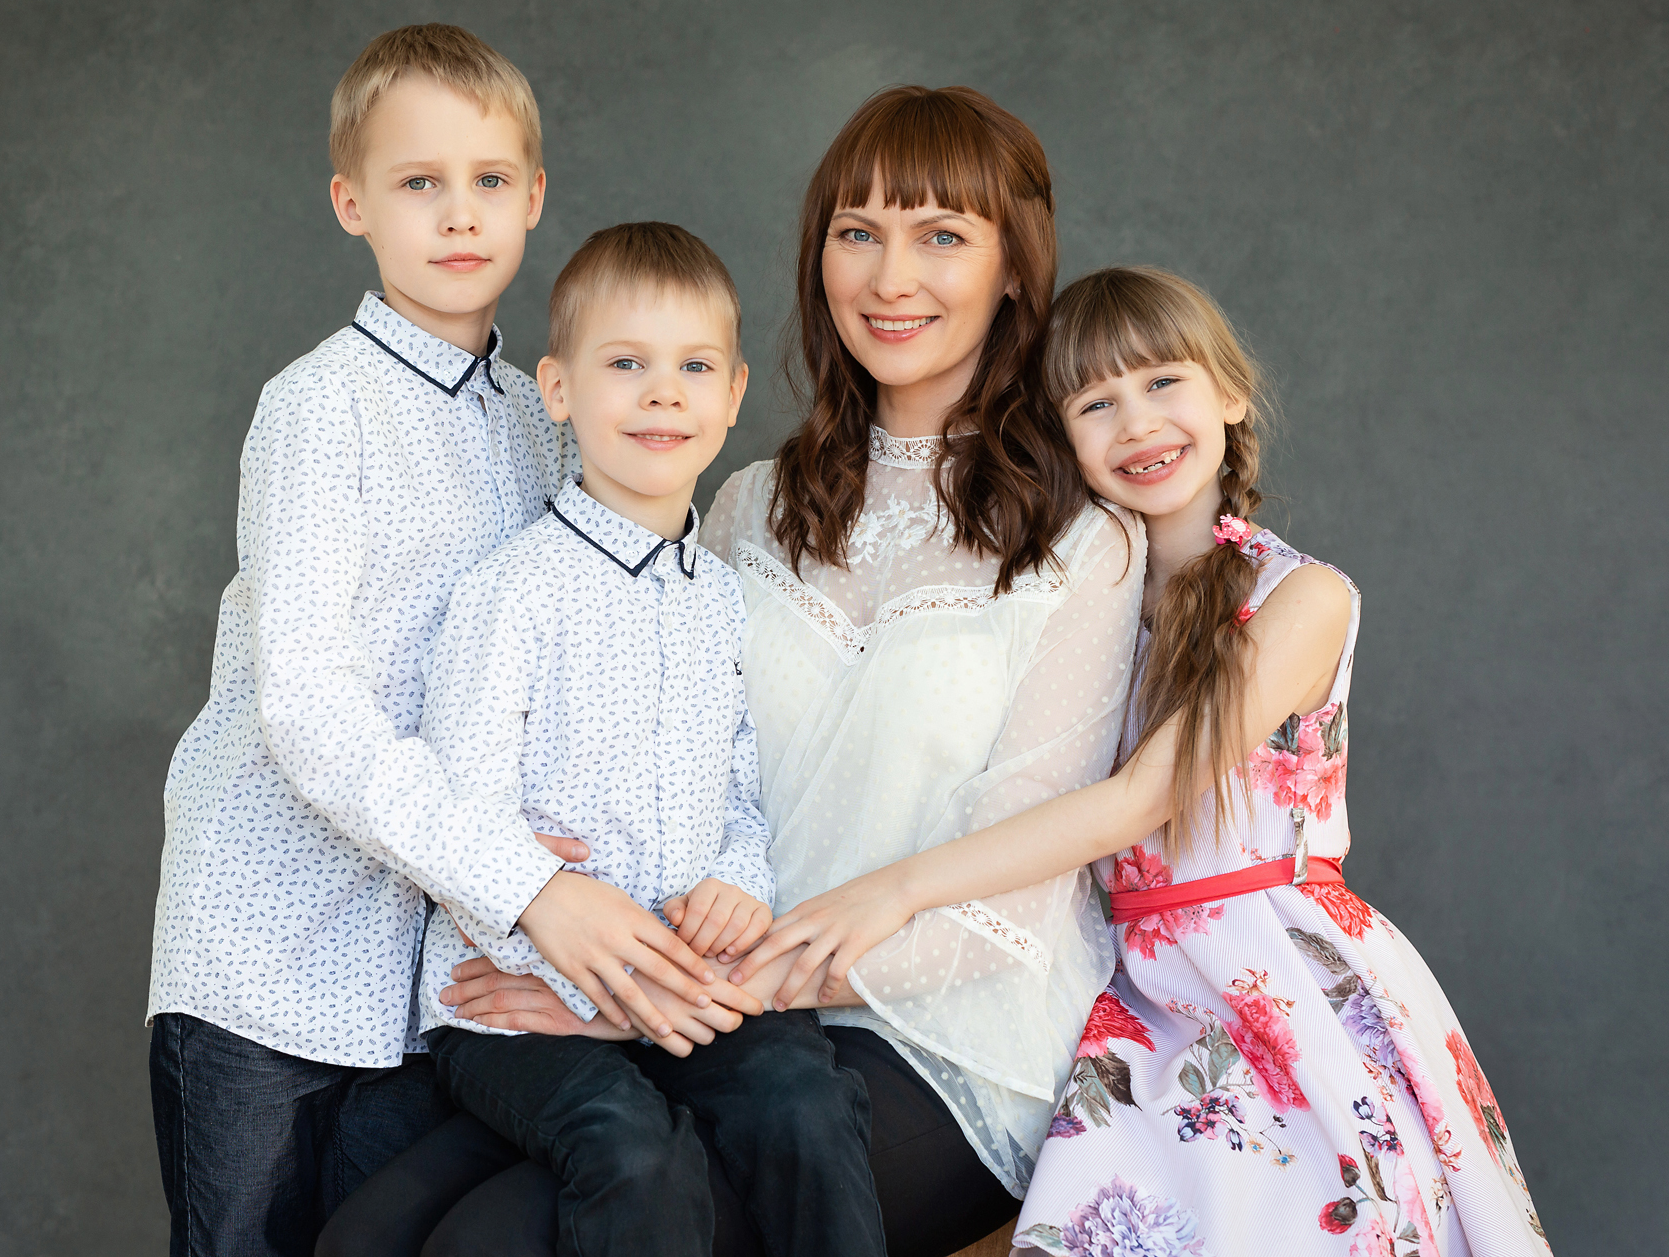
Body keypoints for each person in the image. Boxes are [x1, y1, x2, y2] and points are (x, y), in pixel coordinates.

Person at [422, 85, 1149, 1256]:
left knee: (504, 1244)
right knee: (390, 1219)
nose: (889, 277)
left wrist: (655, 1000)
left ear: (1015, 266)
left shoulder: (1082, 541)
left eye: (940, 236)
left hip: (945, 1040)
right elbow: (658, 775)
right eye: (856, 232)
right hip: (716, 1011)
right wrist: (562, 914)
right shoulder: (745, 505)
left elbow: (1003, 910)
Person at [748, 267, 1551, 1253]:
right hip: (1126, 980)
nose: (1136, 423)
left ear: (1230, 393)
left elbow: (1135, 799)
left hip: (1267, 970)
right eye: (1094, 403)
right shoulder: (1078, 597)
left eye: (1162, 382)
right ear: (1058, 436)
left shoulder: (1297, 599)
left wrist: (897, 889)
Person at [146, 26, 719, 1255]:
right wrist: (527, 882)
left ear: (533, 198)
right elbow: (308, 703)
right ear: (352, 204)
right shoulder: (319, 408)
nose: (458, 214)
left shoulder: (550, 416)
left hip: (445, 973)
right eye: (419, 182)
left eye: (488, 180)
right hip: (272, 943)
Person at [319, 222, 888, 1257]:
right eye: (625, 364)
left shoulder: (722, 598)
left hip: (679, 978)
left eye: (693, 368)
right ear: (558, 388)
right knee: (631, 1148)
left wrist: (736, 882)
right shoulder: (512, 593)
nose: (662, 394)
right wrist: (593, 991)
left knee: (804, 1100)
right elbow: (464, 823)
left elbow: (739, 789)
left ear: (732, 394)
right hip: (518, 1000)